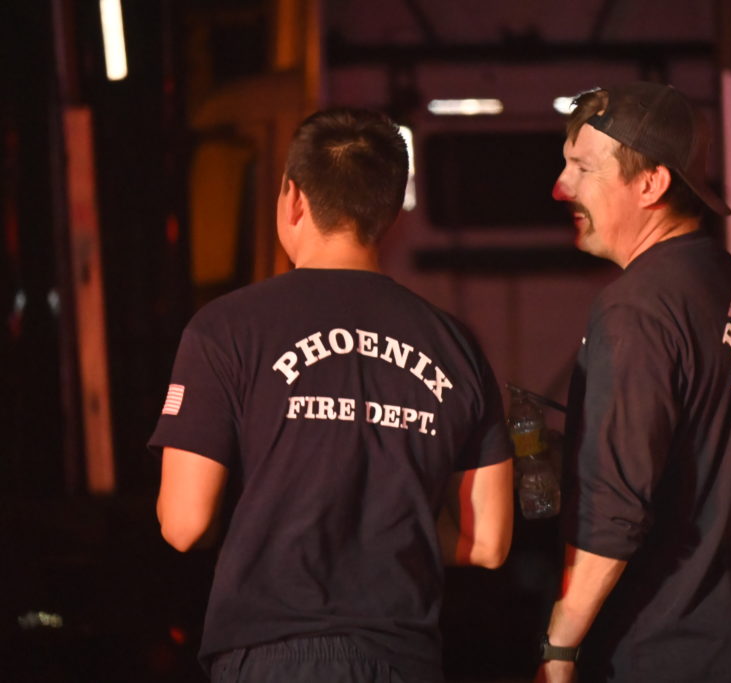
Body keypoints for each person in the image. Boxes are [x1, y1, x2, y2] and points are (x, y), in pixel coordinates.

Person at [150, 107, 514, 683]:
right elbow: (488, 541)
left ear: (293, 198)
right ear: (389, 212)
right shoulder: (455, 345)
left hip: (272, 653)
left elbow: (184, 523)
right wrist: (380, 531)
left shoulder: (226, 329)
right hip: (403, 659)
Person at [535, 82, 731, 682]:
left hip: (663, 649)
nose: (561, 187)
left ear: (651, 184)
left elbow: (616, 506)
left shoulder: (637, 308)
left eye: (583, 168)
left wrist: (560, 646)